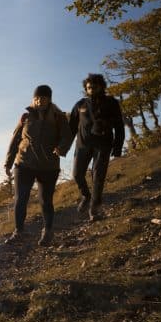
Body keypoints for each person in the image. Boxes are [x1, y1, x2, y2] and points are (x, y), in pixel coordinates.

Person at [3, 85, 73, 246]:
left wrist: (60, 149)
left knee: (45, 200)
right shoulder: (25, 117)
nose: (39, 100)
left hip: (48, 166)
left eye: (42, 98)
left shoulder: (58, 117)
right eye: (36, 98)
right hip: (24, 164)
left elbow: (67, 137)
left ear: (49, 99)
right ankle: (19, 232)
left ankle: (48, 231)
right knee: (20, 198)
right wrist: (8, 162)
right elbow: (15, 140)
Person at [69, 73, 125, 221]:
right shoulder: (80, 104)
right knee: (77, 174)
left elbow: (119, 126)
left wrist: (118, 146)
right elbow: (71, 128)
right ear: (85, 89)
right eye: (88, 87)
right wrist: (62, 148)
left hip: (103, 145)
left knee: (98, 176)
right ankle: (86, 196)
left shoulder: (111, 102)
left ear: (101, 86)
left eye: (94, 86)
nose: (91, 89)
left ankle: (94, 209)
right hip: (82, 145)